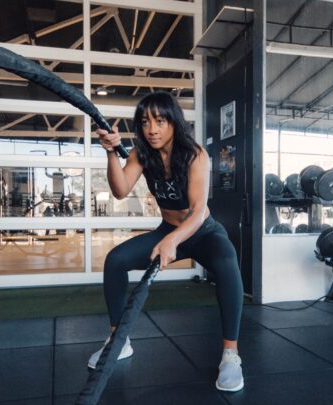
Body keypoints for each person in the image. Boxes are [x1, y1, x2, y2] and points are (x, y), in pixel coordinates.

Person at [89, 91, 245, 392]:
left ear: (173, 121)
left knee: (227, 262)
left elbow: (199, 211)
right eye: (146, 122)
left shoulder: (196, 154)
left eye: (160, 121)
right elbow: (120, 190)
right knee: (115, 260)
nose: (152, 129)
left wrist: (174, 239)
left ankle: (231, 354)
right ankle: (118, 342)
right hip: (168, 230)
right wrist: (110, 152)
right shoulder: (139, 154)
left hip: (202, 232)